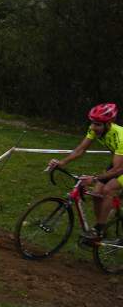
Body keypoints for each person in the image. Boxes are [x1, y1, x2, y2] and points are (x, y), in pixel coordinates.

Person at [48, 103, 123, 240]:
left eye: (98, 124)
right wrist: (62, 162)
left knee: (108, 190)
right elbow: (80, 150)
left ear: (109, 123)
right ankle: (101, 227)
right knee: (96, 194)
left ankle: (99, 229)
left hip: (119, 166)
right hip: (118, 162)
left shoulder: (120, 136)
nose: (94, 127)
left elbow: (118, 170)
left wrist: (94, 179)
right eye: (93, 123)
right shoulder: (93, 129)